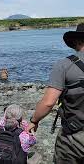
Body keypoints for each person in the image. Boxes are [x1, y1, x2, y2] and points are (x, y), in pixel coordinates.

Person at [28, 23, 84, 163]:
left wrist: (34, 121)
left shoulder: (64, 65)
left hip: (74, 137)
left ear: (77, 41)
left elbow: (48, 103)